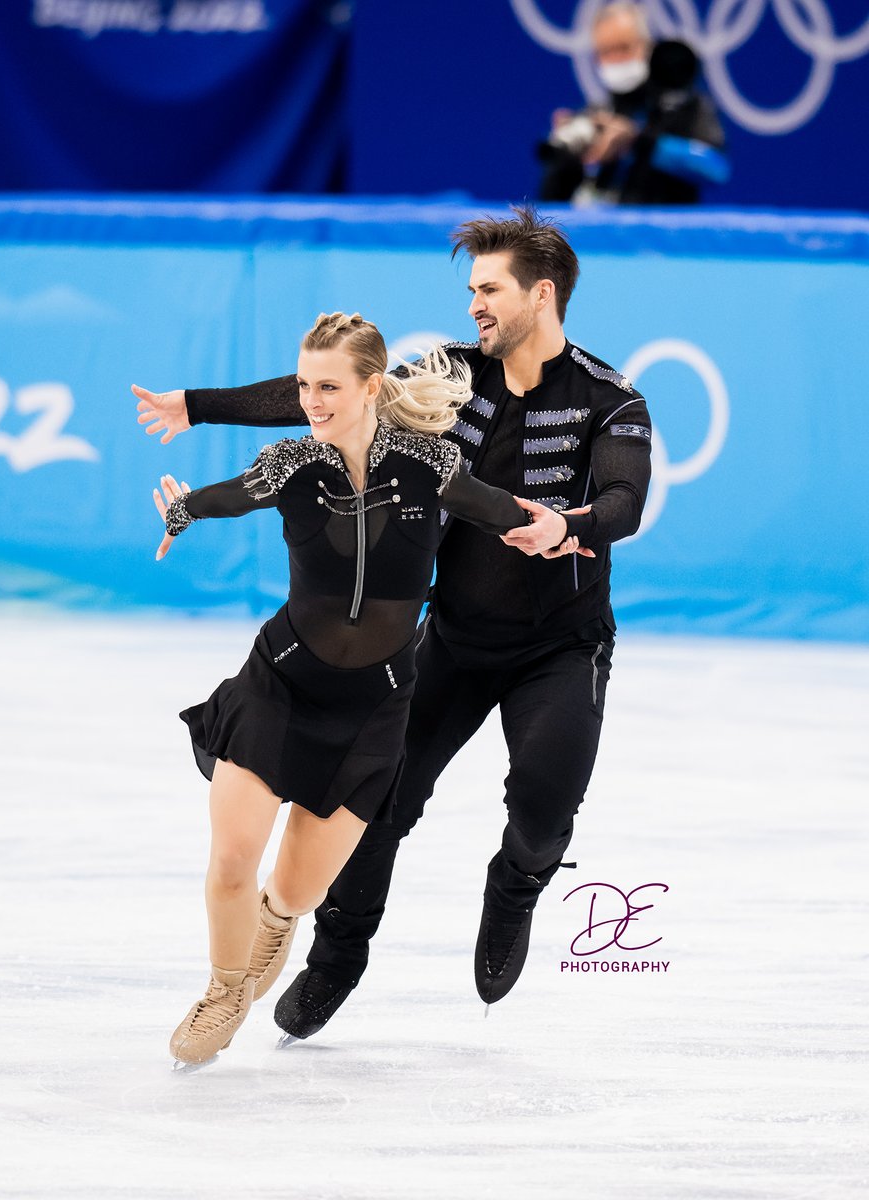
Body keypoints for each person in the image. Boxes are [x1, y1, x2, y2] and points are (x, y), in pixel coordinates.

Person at [133, 206, 652, 1041]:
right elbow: (331, 396)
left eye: (490, 289)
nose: (475, 303)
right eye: (472, 289)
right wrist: (198, 405)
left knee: (545, 809)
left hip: (561, 644)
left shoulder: (610, 398)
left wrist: (570, 525)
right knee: (382, 802)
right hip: (450, 635)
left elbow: (626, 498)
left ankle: (514, 887)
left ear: (542, 294)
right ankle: (335, 956)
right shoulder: (450, 372)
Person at [152, 311, 544, 1065]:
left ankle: (275, 923)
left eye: (327, 386)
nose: (310, 400)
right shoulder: (289, 463)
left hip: (373, 708)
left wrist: (547, 529)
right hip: (279, 685)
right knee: (233, 855)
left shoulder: (429, 465)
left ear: (371, 388)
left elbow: (499, 511)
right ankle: (225, 988)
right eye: (302, 385)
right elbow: (223, 496)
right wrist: (180, 510)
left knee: (295, 893)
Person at [537, 1, 729, 205]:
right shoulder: (597, 113)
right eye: (606, 51)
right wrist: (569, 159)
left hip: (664, 233)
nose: (616, 59)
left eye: (624, 47)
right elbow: (553, 204)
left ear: (646, 47)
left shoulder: (686, 106)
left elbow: (716, 170)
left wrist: (638, 142)